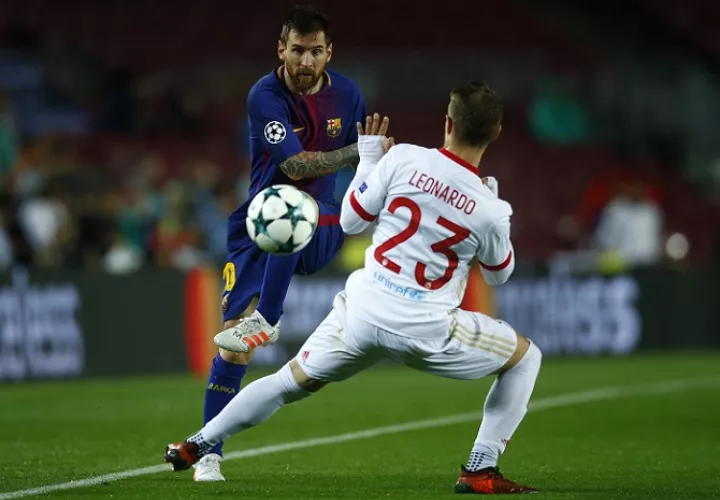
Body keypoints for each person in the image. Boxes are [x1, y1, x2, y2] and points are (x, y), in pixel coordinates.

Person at [166, 83, 541, 494]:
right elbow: (498, 275)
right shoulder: (490, 209)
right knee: (525, 359)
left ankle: (197, 443)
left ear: (447, 122)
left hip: (362, 311)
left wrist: (367, 160)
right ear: (497, 132)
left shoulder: (403, 158)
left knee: (288, 382)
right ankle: (480, 469)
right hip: (426, 328)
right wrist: (493, 205)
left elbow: (351, 222)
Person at [193, 5, 374, 482]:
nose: (306, 61)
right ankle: (209, 451)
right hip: (262, 227)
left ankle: (267, 320)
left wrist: (374, 183)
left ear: (328, 53)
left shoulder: (349, 94)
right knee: (234, 349)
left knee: (298, 205)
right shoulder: (265, 95)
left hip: (327, 221)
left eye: (316, 51)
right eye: (298, 50)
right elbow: (295, 169)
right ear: (281, 50)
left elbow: (363, 167)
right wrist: (359, 151)